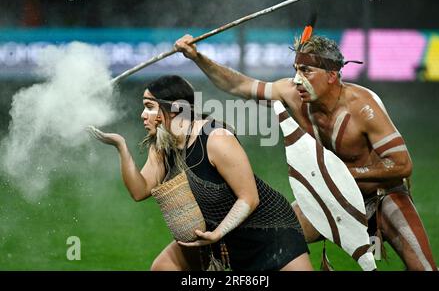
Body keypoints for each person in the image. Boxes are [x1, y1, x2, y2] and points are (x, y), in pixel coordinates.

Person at [174, 34, 438, 271]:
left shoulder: (363, 107)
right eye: (296, 69)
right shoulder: (291, 93)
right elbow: (238, 86)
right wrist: (197, 57)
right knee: (272, 239)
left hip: (382, 197)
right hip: (328, 198)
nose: (297, 78)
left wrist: (341, 174)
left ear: (332, 75)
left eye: (306, 70)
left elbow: (402, 165)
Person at [88, 75, 312, 271]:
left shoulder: (216, 138)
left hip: (269, 231)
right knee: (163, 267)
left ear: (174, 108)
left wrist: (218, 233)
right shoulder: (162, 146)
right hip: (221, 237)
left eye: (149, 106)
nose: (143, 115)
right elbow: (139, 191)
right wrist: (121, 147)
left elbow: (249, 198)